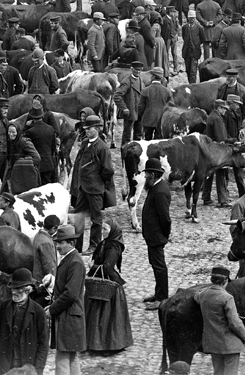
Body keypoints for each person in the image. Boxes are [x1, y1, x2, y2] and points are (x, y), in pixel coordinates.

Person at [0, 267, 49, 374]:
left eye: (18, 289)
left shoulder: (38, 311)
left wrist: (38, 371)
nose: (14, 292)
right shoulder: (4, 307)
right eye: (13, 289)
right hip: (5, 366)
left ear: (28, 290)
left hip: (27, 369)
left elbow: (43, 345)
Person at [85, 217, 133, 352]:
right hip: (99, 282)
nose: (103, 231)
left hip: (107, 285)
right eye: (103, 228)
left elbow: (108, 267)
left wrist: (92, 267)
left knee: (106, 315)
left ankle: (106, 344)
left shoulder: (114, 246)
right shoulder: (105, 243)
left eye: (106, 229)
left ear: (113, 231)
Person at [69, 114, 113, 253]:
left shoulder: (102, 147)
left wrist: (97, 180)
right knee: (78, 216)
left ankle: (94, 246)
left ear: (98, 129)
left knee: (96, 219)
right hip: (83, 187)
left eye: (90, 128)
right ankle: (77, 246)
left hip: (95, 189)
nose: (87, 131)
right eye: (86, 128)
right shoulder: (84, 143)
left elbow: (108, 170)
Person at [196, 266, 245, 375]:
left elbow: (196, 297)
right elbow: (234, 322)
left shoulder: (203, 295)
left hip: (213, 344)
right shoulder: (227, 297)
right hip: (230, 346)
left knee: (218, 372)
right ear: (225, 281)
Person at [49, 224, 87, 375]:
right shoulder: (70, 259)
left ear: (71, 243)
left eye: (61, 242)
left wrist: (52, 309)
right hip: (70, 316)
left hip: (69, 317)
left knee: (62, 358)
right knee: (71, 356)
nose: (57, 246)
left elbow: (70, 294)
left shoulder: (75, 262)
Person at [141, 157, 172, 307]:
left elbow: (165, 218)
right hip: (152, 235)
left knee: (159, 267)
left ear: (153, 174)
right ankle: (158, 293)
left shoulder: (160, 191)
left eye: (147, 173)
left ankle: (162, 298)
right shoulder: (156, 187)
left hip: (157, 236)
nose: (145, 176)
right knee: (155, 265)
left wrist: (164, 235)